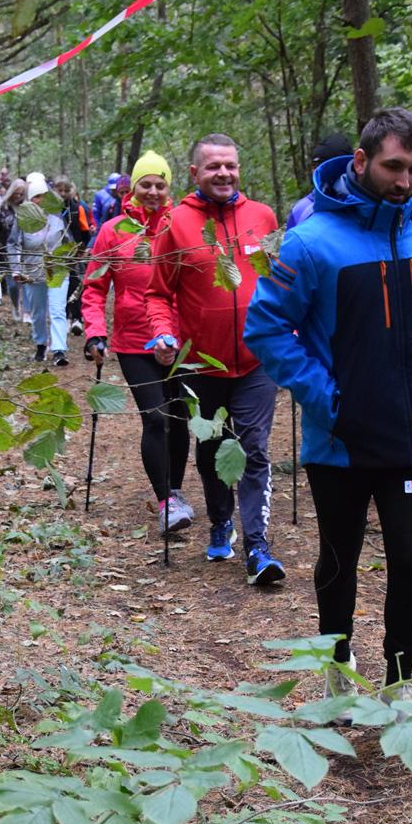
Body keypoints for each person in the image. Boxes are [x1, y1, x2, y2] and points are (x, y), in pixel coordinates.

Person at [244, 107, 412, 700]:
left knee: (410, 560)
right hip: (341, 438)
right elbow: (266, 328)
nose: (404, 180)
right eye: (392, 166)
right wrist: (325, 395)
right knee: (339, 560)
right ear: (361, 161)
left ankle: (400, 685)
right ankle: (338, 670)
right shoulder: (309, 242)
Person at [145, 133, 283, 585]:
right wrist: (163, 332)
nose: (223, 173)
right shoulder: (175, 223)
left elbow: (281, 281)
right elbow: (158, 293)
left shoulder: (262, 217)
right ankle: (220, 519)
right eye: (213, 167)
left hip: (257, 358)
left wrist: (293, 327)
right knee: (209, 449)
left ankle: (257, 547)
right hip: (200, 362)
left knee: (255, 448)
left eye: (230, 165)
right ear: (195, 173)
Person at [81, 151, 195, 535]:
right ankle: (165, 501)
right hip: (133, 340)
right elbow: (95, 288)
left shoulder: (180, 225)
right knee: (156, 417)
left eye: (160, 184)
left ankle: (176, 491)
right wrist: (95, 331)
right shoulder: (113, 231)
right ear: (133, 187)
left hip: (181, 339)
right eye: (146, 184)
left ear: (168, 188)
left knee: (179, 418)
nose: (153, 191)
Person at [9, 171, 69, 366]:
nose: (40, 200)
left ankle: (59, 350)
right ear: (29, 198)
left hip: (57, 270)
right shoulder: (22, 219)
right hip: (32, 271)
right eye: (35, 196)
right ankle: (41, 344)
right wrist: (16, 268)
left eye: (43, 196)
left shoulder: (58, 216)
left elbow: (69, 240)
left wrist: (75, 256)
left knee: (58, 310)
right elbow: (13, 244)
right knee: (38, 311)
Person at [53, 177, 95, 335]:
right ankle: (63, 317)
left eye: (66, 190)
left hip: (75, 252)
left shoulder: (78, 208)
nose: (63, 193)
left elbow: (85, 232)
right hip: (56, 254)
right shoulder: (49, 209)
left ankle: (77, 317)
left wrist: (83, 249)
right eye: (60, 190)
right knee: (59, 286)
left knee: (75, 283)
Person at [286, 133, 352, 229]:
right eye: (315, 165)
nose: (318, 171)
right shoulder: (301, 209)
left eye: (324, 165)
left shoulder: (365, 205)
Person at [0, 180, 28, 322]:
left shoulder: (26, 207)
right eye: (16, 193)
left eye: (21, 194)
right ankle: (15, 305)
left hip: (25, 249)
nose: (18, 196)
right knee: (13, 284)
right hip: (7, 249)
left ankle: (27, 310)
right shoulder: (2, 207)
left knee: (26, 282)